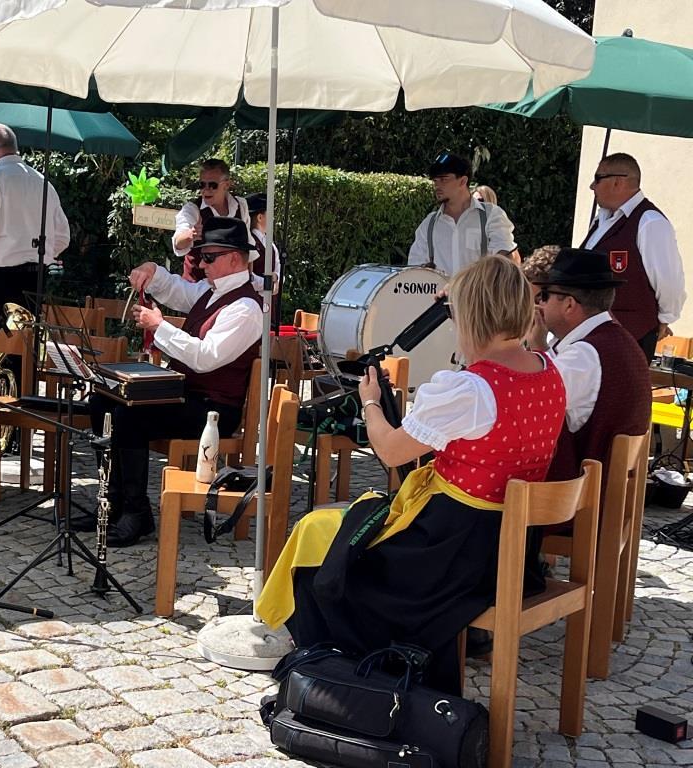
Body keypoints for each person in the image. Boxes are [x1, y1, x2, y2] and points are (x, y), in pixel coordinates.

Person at [258, 256, 566, 694]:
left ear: (473, 314)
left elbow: (390, 450)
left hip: (446, 553)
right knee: (336, 527)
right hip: (508, 548)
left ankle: (328, 661)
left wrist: (369, 401)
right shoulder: (549, 371)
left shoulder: (470, 389)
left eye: (455, 314)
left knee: (317, 531)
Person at [89, 217, 263, 547]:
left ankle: (137, 513)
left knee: (129, 416)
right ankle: (111, 505)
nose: (201, 264)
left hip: (214, 409)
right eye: (201, 257)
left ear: (234, 259)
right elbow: (176, 289)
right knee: (102, 400)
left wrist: (159, 326)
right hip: (190, 396)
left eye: (208, 257)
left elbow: (206, 357)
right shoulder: (212, 291)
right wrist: (152, 270)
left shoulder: (246, 308)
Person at [524, 247, 651, 482]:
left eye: (544, 295)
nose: (539, 304)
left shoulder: (584, 355)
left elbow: (527, 403)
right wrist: (541, 347)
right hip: (604, 487)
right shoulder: (618, 340)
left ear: (569, 304)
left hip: (577, 496)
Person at [577, 152, 685, 362]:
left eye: (598, 179)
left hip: (629, 336)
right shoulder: (602, 220)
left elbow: (669, 281)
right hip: (595, 333)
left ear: (617, 182)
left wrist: (664, 319)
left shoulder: (650, 222)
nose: (592, 186)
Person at [0, 123, 70, 310]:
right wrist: (39, 254)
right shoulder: (42, 182)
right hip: (37, 276)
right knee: (30, 328)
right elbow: (62, 236)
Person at [407, 152, 518, 275]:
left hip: (480, 288)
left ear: (463, 181)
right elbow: (415, 269)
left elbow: (505, 258)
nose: (437, 185)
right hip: (441, 288)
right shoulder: (428, 224)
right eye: (435, 180)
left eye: (444, 179)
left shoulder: (491, 216)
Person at [172, 159, 251, 283]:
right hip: (197, 287)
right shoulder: (193, 210)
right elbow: (178, 242)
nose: (206, 189)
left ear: (226, 185)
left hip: (231, 285)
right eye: (202, 185)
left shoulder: (241, 206)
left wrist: (248, 282)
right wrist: (190, 235)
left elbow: (248, 253)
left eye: (212, 185)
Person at [245, 192, 281, 321]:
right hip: (252, 303)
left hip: (269, 304)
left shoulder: (270, 244)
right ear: (260, 217)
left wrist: (276, 278)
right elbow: (248, 277)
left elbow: (278, 268)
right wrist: (268, 283)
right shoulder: (249, 242)